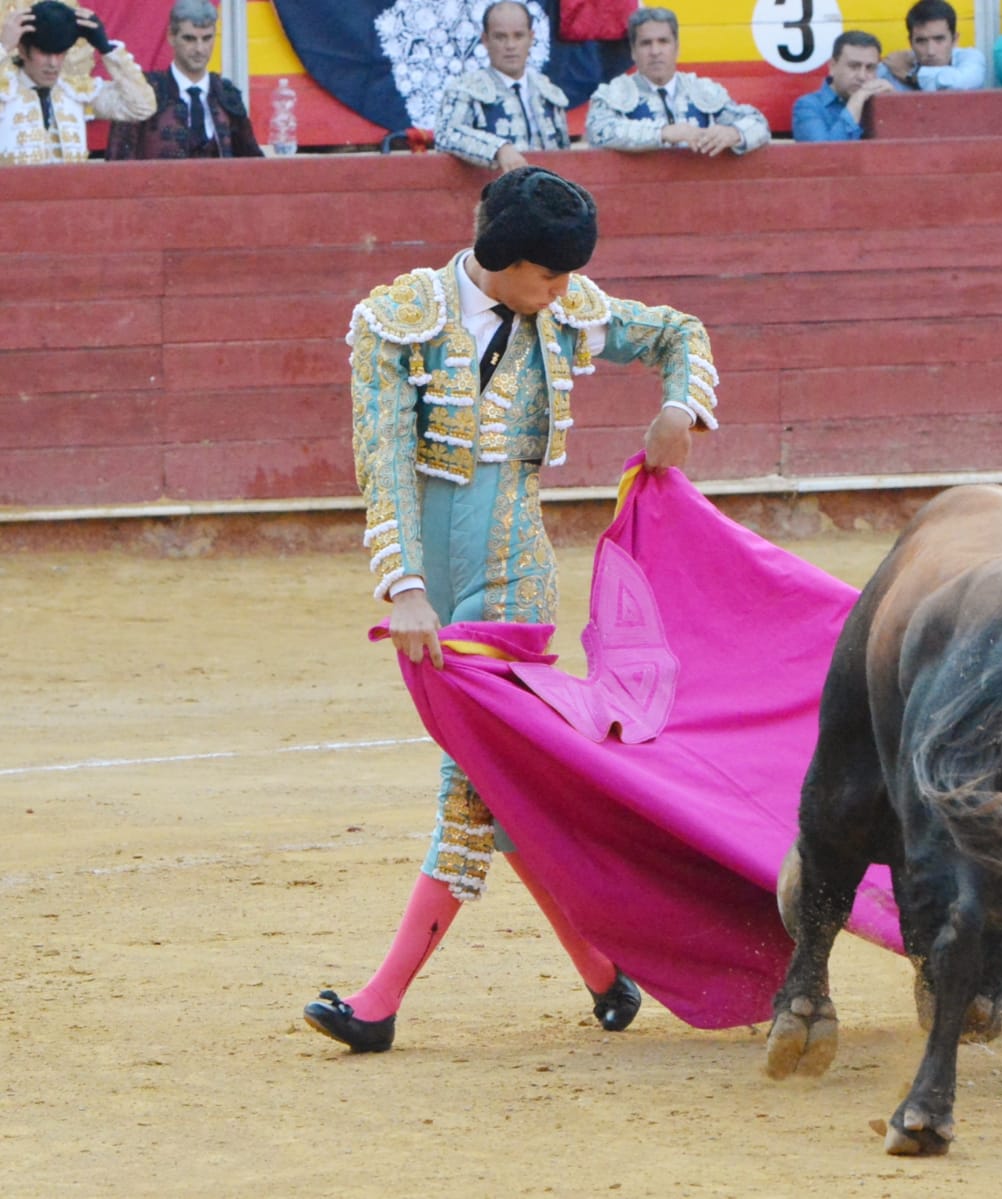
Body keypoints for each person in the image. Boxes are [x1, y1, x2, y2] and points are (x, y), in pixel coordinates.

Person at [303, 166, 720, 1052]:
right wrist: (404, 585)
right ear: (506, 261)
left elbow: (677, 333)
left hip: (514, 580)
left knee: (471, 784)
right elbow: (381, 461)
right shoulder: (398, 321)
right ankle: (604, 970)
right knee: (500, 781)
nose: (565, 292)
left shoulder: (563, 309)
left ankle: (378, 1004)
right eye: (550, 276)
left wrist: (679, 406)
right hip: (435, 585)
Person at [584, 7, 770, 155]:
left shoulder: (702, 90)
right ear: (633, 51)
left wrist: (734, 133)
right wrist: (663, 133)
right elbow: (599, 130)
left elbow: (758, 124)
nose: (655, 51)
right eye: (646, 43)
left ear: (677, 48)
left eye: (663, 41)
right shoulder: (614, 94)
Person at [0, 0, 154, 165]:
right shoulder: (5, 90)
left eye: (60, 53)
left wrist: (106, 49)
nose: (53, 63)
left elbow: (141, 107)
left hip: (71, 190)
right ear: (22, 50)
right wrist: (2, 47)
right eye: (44, 53)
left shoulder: (75, 91)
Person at [105, 0, 260, 160]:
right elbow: (118, 165)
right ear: (171, 37)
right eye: (189, 39)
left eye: (207, 38)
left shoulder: (227, 95)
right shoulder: (143, 92)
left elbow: (252, 165)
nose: (200, 49)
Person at [434, 0, 570, 171]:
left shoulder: (548, 93)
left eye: (518, 36)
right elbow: (446, 134)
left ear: (531, 38)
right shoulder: (465, 90)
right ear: (485, 40)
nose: (510, 46)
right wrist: (498, 149)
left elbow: (564, 154)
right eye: (500, 37)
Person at [792, 30, 893, 142]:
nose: (862, 76)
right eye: (854, 66)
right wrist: (856, 101)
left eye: (870, 68)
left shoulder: (878, 101)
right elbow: (825, 155)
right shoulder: (808, 106)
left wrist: (893, 105)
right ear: (832, 66)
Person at [879, 0, 986, 92]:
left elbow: (963, 83)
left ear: (954, 39)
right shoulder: (896, 65)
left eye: (939, 39)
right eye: (921, 41)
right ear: (910, 43)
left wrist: (912, 77)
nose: (931, 51)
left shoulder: (970, 57)